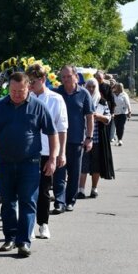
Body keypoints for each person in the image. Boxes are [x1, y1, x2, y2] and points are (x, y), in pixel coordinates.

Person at [0, 72, 58, 257]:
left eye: (20, 91)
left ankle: (24, 242)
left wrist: (53, 158)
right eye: (13, 90)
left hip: (30, 163)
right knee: (8, 202)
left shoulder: (38, 107)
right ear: (8, 88)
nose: (16, 94)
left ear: (28, 88)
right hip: (5, 163)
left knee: (27, 201)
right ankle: (10, 238)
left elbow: (52, 132)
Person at [26, 63, 67, 240]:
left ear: (43, 79)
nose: (30, 86)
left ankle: (43, 224)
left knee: (43, 190)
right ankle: (27, 225)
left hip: (46, 151)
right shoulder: (25, 98)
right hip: (27, 151)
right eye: (28, 82)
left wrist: (60, 153)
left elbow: (62, 128)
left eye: (33, 82)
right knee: (26, 190)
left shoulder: (56, 99)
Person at [52, 65, 94, 213]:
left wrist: (89, 138)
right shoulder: (57, 93)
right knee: (58, 172)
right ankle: (59, 201)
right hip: (58, 140)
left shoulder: (84, 94)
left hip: (77, 140)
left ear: (76, 77)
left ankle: (70, 200)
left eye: (68, 76)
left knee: (74, 173)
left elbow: (90, 117)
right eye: (63, 77)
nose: (65, 79)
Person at [79, 78, 115, 198]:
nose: (90, 89)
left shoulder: (102, 101)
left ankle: (94, 189)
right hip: (82, 139)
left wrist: (99, 116)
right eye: (88, 86)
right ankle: (81, 190)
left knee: (96, 165)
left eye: (93, 86)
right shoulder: (81, 99)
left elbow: (108, 118)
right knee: (83, 165)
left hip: (98, 139)